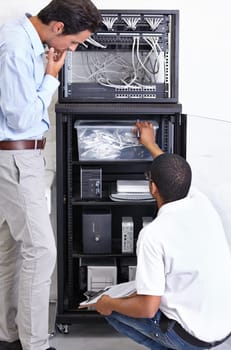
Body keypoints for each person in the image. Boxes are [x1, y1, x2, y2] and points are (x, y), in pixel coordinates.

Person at [0, 1, 101, 350]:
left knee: (12, 248)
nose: (70, 50)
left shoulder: (26, 41)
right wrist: (50, 79)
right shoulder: (15, 46)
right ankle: (36, 345)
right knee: (41, 251)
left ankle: (9, 335)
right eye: (73, 43)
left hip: (21, 156)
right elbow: (19, 118)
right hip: (16, 156)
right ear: (57, 27)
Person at [95, 121, 231, 350]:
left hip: (194, 338)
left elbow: (148, 309)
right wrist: (151, 144)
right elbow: (174, 172)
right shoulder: (201, 202)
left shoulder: (153, 235)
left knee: (109, 308)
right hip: (226, 325)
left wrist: (110, 302)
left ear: (152, 188)